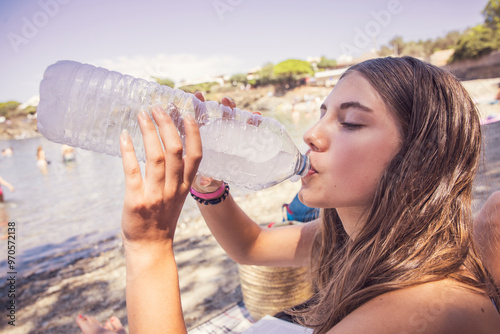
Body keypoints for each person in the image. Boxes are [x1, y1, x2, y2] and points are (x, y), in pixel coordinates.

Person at [77, 57, 500, 333]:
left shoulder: (411, 315)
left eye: (350, 122)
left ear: (420, 158)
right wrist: (210, 184)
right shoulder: (364, 239)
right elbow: (251, 246)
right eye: (322, 114)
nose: (311, 135)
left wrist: (148, 247)